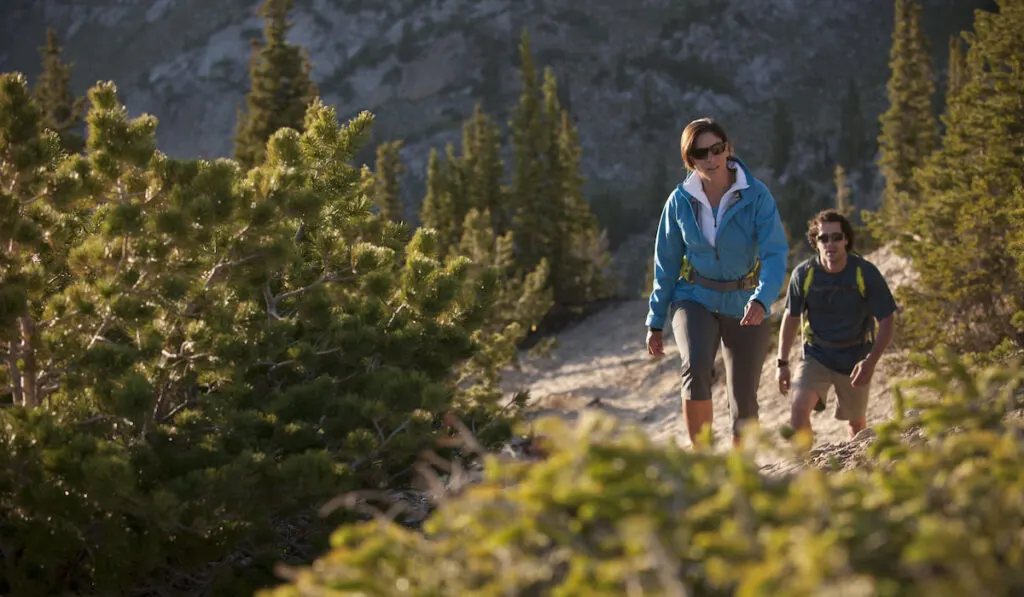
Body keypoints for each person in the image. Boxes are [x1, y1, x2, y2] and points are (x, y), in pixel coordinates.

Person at [646, 117, 789, 448]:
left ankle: (741, 475)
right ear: (690, 159)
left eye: (717, 149)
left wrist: (762, 299)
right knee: (695, 368)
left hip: (746, 302)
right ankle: (703, 462)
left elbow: (774, 254)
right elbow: (665, 265)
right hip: (694, 297)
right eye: (700, 153)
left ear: (728, 149)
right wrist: (654, 321)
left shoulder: (757, 196)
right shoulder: (679, 201)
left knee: (744, 398)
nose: (711, 158)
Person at [775, 208, 897, 445]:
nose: (830, 244)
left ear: (846, 240)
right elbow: (790, 317)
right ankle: (807, 471)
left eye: (836, 237)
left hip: (855, 358)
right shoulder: (804, 274)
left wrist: (870, 362)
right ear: (815, 242)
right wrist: (782, 362)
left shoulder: (865, 273)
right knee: (798, 412)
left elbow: (887, 319)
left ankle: (858, 469)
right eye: (823, 238)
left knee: (857, 425)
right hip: (817, 355)